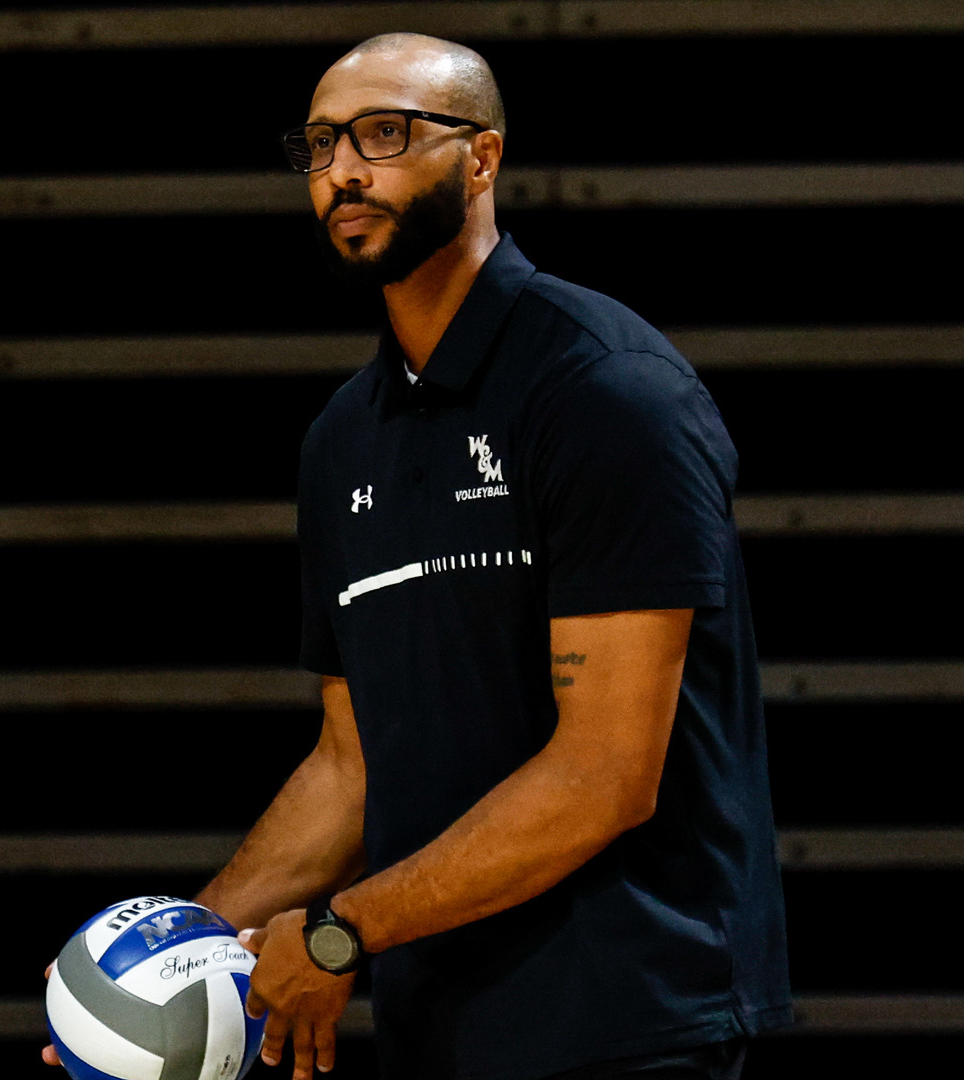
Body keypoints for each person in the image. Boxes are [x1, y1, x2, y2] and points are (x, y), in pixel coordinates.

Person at [47, 31, 789, 1080]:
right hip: (437, 1031)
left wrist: (341, 932)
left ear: (482, 158)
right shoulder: (342, 440)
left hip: (632, 1027)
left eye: (384, 134)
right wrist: (161, 965)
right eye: (320, 145)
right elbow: (351, 768)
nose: (344, 170)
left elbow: (605, 775)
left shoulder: (605, 391)